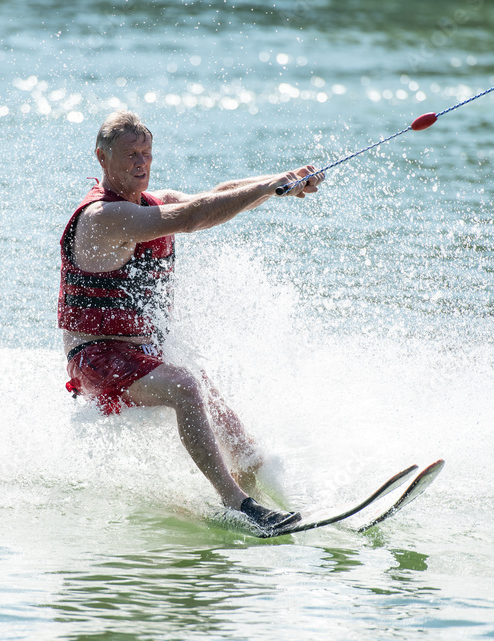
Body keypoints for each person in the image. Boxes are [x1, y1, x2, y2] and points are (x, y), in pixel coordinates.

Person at [59, 110, 323, 532]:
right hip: (96, 359)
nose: (140, 163)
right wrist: (269, 186)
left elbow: (214, 194)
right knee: (184, 385)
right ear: (102, 158)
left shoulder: (150, 202)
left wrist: (281, 182)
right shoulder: (102, 218)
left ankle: (259, 474)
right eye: (130, 154)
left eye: (146, 152)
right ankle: (238, 504)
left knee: (203, 386)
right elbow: (190, 218)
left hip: (141, 353)